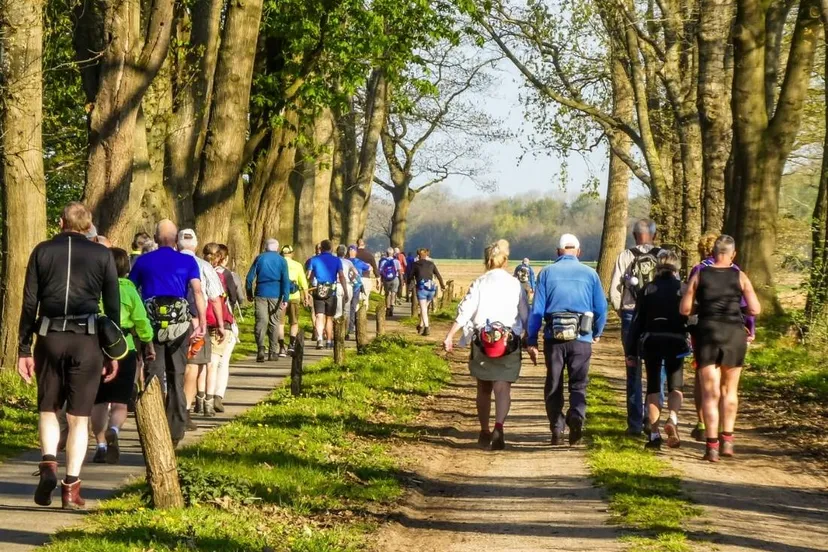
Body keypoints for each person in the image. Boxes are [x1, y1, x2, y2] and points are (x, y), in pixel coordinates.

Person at [18, 202, 121, 509]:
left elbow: (28, 303)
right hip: (87, 339)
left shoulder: (42, 251)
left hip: (49, 337)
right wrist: (111, 350)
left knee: (48, 409)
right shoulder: (102, 254)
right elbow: (113, 306)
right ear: (87, 225)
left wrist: (24, 348)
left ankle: (48, 463)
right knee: (79, 419)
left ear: (61, 222)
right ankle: (70, 487)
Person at [680, 235, 760, 462]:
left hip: (707, 333)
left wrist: (700, 303)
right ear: (733, 254)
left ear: (712, 253)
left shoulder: (700, 274)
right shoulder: (740, 275)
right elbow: (755, 309)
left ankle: (711, 447)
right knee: (730, 391)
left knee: (710, 392)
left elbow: (685, 310)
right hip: (734, 335)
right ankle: (728, 441)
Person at [443, 240, 528, 451]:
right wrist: (531, 338)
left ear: (486, 261)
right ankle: (499, 426)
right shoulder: (515, 284)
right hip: (508, 341)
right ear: (505, 261)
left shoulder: (480, 282)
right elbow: (526, 314)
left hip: (483, 341)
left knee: (483, 388)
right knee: (503, 387)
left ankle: (484, 430)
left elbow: (465, 311)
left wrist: (450, 335)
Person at [130, 219, 207, 446]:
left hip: (151, 326)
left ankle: (155, 425)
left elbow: (132, 290)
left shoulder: (143, 261)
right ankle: (176, 427)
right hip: (179, 327)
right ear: (176, 240)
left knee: (154, 373)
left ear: (155, 238)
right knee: (177, 374)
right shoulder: (187, 262)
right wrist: (201, 322)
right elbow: (198, 291)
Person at [527, 233, 607, 446]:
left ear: (557, 252)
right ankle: (576, 417)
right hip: (582, 337)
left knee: (554, 383)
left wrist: (532, 339)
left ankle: (556, 426)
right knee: (578, 383)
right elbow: (601, 308)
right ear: (578, 252)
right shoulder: (590, 275)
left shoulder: (546, 273)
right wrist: (597, 332)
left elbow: (537, 310)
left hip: (554, 338)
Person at [91, 248, 155, 465]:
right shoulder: (130, 291)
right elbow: (142, 320)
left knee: (99, 401)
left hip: (98, 348)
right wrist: (147, 340)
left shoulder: (95, 288)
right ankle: (114, 429)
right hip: (125, 348)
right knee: (120, 401)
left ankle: (100, 446)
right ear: (126, 267)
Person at [625, 250, 689, 450]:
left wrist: (630, 352)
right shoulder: (683, 289)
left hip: (652, 341)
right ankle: (673, 418)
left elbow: (636, 323)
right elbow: (691, 318)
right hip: (676, 342)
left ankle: (654, 434)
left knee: (653, 387)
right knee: (675, 386)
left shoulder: (646, 290)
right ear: (677, 268)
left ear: (656, 267)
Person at [610, 219, 663, 436]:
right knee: (657, 369)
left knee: (633, 369)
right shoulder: (664, 256)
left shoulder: (625, 256)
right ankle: (652, 420)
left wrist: (621, 310)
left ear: (634, 236)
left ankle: (633, 424)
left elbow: (615, 289)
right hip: (657, 317)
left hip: (631, 314)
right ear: (654, 234)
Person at [178, 230, 226, 419]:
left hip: (168, 319)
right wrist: (221, 324)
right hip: (196, 321)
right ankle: (186, 409)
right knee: (193, 365)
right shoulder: (204, 266)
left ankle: (171, 402)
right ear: (196, 245)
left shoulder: (168, 263)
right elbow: (214, 299)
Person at [246, 239, 291, 361]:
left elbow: (249, 278)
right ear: (277, 248)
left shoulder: (260, 258)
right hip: (276, 294)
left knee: (261, 321)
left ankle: (260, 347)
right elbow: (286, 281)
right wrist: (285, 298)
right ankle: (273, 352)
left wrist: (249, 292)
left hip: (261, 292)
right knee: (274, 322)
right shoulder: (282, 260)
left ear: (266, 247)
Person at [213, 244, 241, 411]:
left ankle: (202, 396)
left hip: (204, 321)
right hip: (225, 321)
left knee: (208, 362)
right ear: (224, 258)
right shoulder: (228, 274)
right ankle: (217, 395)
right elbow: (235, 297)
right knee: (223, 362)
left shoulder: (199, 269)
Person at [307, 240, 350, 349]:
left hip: (318, 291)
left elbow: (309, 276)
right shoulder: (337, 260)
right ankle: (329, 341)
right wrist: (345, 291)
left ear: (320, 248)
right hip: (332, 291)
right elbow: (341, 276)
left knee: (319, 316)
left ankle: (320, 338)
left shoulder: (314, 260)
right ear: (331, 248)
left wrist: (309, 287)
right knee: (329, 318)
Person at [408, 248, 445, 336]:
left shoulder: (415, 264)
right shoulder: (431, 264)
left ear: (418, 256)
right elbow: (438, 276)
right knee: (424, 308)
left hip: (421, 289)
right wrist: (442, 286)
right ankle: (420, 325)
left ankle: (427, 328)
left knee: (423, 309)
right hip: (431, 289)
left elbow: (410, 276)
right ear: (426, 255)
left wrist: (409, 285)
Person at [281, 245, 310, 355]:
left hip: (281, 297)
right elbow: (303, 282)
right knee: (294, 322)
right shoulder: (297, 265)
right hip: (294, 297)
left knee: (280, 323)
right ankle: (291, 345)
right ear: (292, 254)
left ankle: (281, 347)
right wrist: (306, 297)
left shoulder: (279, 264)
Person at [336, 244, 361, 336]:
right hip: (348, 285)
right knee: (347, 309)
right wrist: (351, 279)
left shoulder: (334, 261)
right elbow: (356, 273)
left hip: (337, 285)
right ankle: (346, 331)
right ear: (345, 253)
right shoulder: (348, 262)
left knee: (338, 310)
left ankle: (338, 332)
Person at [348, 245, 372, 338]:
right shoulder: (359, 262)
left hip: (346, 286)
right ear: (355, 252)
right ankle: (351, 326)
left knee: (346, 307)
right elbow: (369, 268)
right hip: (356, 286)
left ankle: (347, 326)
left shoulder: (345, 261)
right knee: (354, 306)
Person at [378, 248, 403, 317]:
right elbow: (400, 272)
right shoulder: (396, 261)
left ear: (386, 253)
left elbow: (380, 272)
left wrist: (381, 280)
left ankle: (388, 308)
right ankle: (392, 306)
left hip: (386, 280)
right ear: (393, 253)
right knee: (393, 293)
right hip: (395, 278)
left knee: (387, 294)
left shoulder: (383, 262)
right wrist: (401, 281)